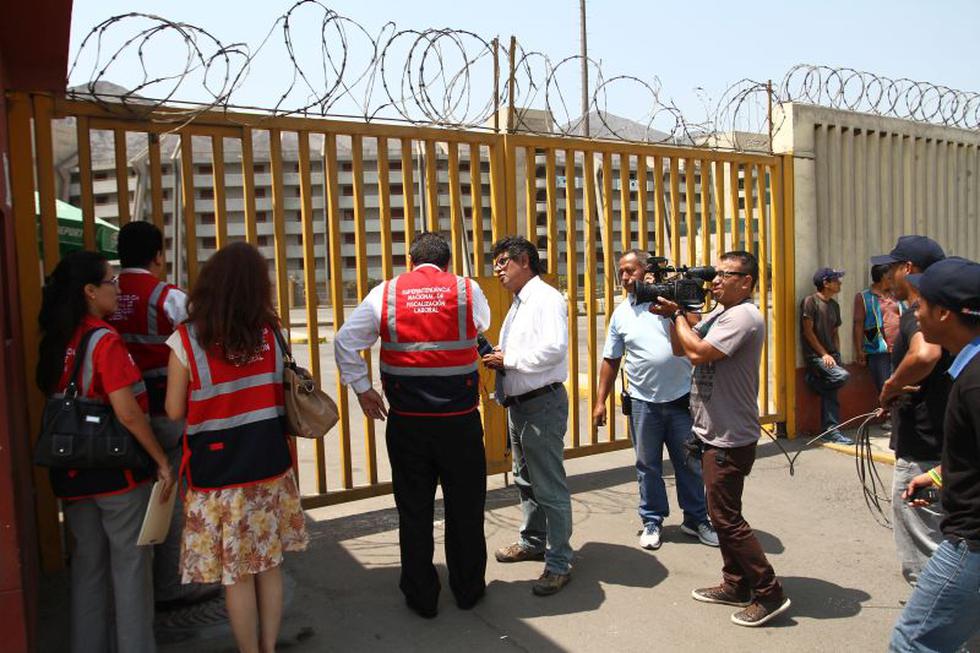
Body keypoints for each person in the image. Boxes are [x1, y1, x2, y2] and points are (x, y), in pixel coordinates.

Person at [334, 232, 491, 618]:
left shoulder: (384, 293)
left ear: (409, 260)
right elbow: (482, 323)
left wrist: (362, 389)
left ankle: (422, 596)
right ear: (448, 263)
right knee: (466, 508)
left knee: (415, 509)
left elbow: (343, 341)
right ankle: (468, 589)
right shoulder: (465, 289)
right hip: (459, 421)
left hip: (408, 423)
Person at [164, 242, 308, 653]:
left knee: (237, 574)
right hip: (268, 466)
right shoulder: (270, 333)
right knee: (270, 565)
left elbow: (174, 410)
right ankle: (269, 646)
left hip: (216, 475)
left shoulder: (186, 340)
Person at [36, 250, 173, 653]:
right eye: (111, 282)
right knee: (131, 572)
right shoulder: (104, 340)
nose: (117, 289)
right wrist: (160, 460)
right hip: (116, 474)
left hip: (72, 472)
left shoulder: (56, 339)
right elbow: (128, 412)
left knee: (88, 571)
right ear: (90, 291)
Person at [651, 250, 790, 627]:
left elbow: (697, 353)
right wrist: (673, 315)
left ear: (746, 281)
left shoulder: (745, 315)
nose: (715, 280)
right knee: (721, 511)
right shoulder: (720, 313)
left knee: (726, 518)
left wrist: (678, 314)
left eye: (725, 275)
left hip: (730, 434)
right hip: (711, 428)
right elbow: (682, 346)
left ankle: (769, 591)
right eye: (716, 273)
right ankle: (736, 583)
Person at [106, 221, 216, 607]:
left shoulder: (106, 292)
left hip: (115, 412)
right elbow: (201, 345)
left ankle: (135, 587)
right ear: (158, 255)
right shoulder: (167, 296)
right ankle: (172, 585)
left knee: (129, 497)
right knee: (171, 495)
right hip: (164, 410)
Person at [593, 249, 717, 550]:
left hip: (681, 400)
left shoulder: (672, 301)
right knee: (647, 465)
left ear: (648, 272)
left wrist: (673, 306)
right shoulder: (621, 314)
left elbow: (696, 327)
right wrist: (600, 402)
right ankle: (652, 520)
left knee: (689, 462)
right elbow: (611, 359)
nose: (625, 277)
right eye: (621, 271)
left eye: (631, 270)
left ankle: (697, 519)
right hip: (642, 402)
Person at [889, 256, 980, 652]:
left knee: (913, 642)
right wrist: (942, 475)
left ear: (944, 313)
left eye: (920, 303)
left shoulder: (975, 381)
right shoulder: (968, 368)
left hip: (972, 544)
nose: (914, 310)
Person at [483, 235, 573, 597]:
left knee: (549, 485)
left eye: (503, 261)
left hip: (542, 404)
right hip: (521, 404)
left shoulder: (546, 299)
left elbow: (553, 349)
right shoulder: (521, 301)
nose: (498, 269)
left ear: (524, 261)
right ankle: (533, 540)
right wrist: (504, 355)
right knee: (525, 479)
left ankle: (559, 562)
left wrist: (510, 360)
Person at [871, 235, 951, 585]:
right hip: (944, 444)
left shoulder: (920, 311)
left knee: (924, 549)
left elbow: (925, 355)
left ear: (908, 269)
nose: (887, 276)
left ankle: (936, 631)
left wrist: (890, 387)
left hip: (924, 449)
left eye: (891, 268)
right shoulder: (948, 313)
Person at [801, 267, 853, 445]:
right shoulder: (810, 302)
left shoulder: (834, 306)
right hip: (816, 356)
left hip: (831, 355)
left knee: (831, 391)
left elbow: (834, 332)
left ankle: (830, 430)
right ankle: (813, 382)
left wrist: (836, 353)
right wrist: (823, 354)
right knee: (842, 376)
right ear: (826, 283)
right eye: (836, 280)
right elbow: (808, 332)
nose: (840, 283)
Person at [852, 263, 902, 395]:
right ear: (881, 278)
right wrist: (859, 350)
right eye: (889, 278)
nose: (893, 280)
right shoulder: (864, 297)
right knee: (885, 387)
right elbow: (858, 324)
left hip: (900, 347)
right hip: (878, 348)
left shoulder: (896, 295)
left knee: (902, 386)